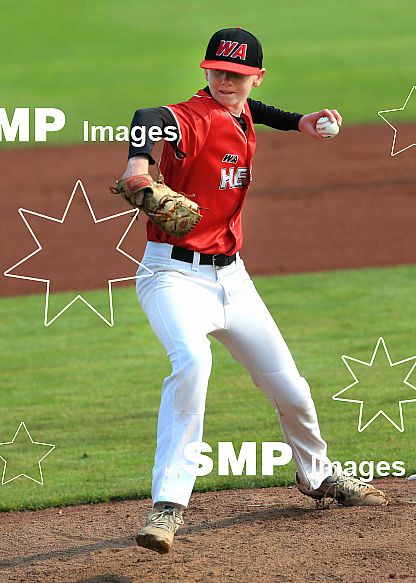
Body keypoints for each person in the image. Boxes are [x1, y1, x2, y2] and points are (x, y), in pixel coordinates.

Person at [119, 28, 387, 555]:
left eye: (238, 74)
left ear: (255, 77)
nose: (227, 80)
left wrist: (298, 121)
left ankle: (317, 475)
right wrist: (137, 165)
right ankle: (168, 505)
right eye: (218, 71)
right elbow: (149, 117)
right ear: (206, 71)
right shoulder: (191, 118)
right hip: (172, 277)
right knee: (191, 365)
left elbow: (251, 110)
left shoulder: (240, 111)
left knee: (291, 388)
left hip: (233, 281)